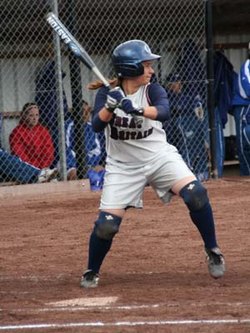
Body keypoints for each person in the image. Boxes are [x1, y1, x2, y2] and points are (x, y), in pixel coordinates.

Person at [80, 40, 225, 288]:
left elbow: (164, 111)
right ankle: (92, 270)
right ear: (131, 68)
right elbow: (96, 125)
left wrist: (136, 109)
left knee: (196, 194)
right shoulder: (107, 94)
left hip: (158, 156)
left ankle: (212, 249)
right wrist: (110, 107)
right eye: (146, 65)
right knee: (106, 226)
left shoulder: (153, 90)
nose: (152, 70)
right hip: (123, 166)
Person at [164, 73, 209, 181]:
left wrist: (197, 104)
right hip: (172, 128)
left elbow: (197, 105)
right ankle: (184, 174)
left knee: (197, 146)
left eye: (179, 82)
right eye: (174, 82)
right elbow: (174, 109)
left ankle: (199, 173)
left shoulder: (186, 97)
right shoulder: (166, 97)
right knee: (180, 150)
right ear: (169, 85)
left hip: (189, 125)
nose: (178, 85)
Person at [35, 60, 71, 168]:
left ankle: (60, 167)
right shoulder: (45, 86)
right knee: (53, 142)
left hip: (57, 122)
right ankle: (52, 168)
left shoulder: (57, 87)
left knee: (62, 144)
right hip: (51, 123)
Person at [64, 100, 106, 184]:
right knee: (75, 175)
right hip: (71, 165)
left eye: (88, 111)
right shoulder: (67, 126)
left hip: (90, 164)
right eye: (83, 111)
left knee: (104, 173)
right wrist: (80, 165)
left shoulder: (92, 127)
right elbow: (67, 151)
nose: (86, 114)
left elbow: (97, 151)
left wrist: (91, 164)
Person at [9, 103, 55, 169]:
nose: (34, 118)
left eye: (37, 115)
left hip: (44, 167)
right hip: (26, 168)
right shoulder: (16, 133)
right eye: (31, 115)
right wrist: (34, 167)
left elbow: (48, 151)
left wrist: (43, 166)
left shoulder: (43, 130)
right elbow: (19, 154)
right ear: (24, 116)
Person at [231, 46, 250, 175]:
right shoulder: (247, 65)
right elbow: (247, 89)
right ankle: (246, 172)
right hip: (243, 106)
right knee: (243, 140)